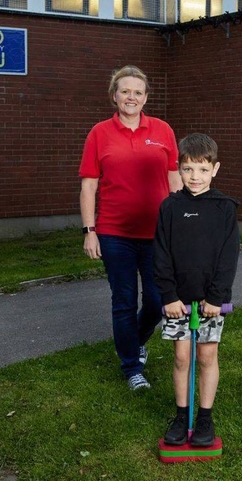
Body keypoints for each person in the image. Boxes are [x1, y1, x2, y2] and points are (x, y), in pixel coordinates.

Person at [79, 65, 183, 390]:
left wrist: (183, 220)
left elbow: (174, 177)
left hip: (158, 232)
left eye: (138, 92)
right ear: (115, 95)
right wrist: (89, 230)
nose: (131, 97)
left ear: (146, 97)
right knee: (123, 299)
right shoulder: (99, 133)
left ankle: (135, 339)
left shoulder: (163, 130)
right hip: (114, 233)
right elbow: (88, 186)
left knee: (156, 300)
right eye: (125, 91)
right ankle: (131, 367)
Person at [154, 134, 240, 447]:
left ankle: (204, 416)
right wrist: (169, 296)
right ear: (179, 169)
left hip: (211, 300)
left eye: (203, 170)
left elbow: (228, 256)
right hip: (178, 299)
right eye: (189, 169)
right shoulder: (170, 207)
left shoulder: (224, 208)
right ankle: (181, 415)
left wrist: (217, 297)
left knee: (206, 355)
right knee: (181, 357)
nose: (195, 177)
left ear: (215, 169)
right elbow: (160, 255)